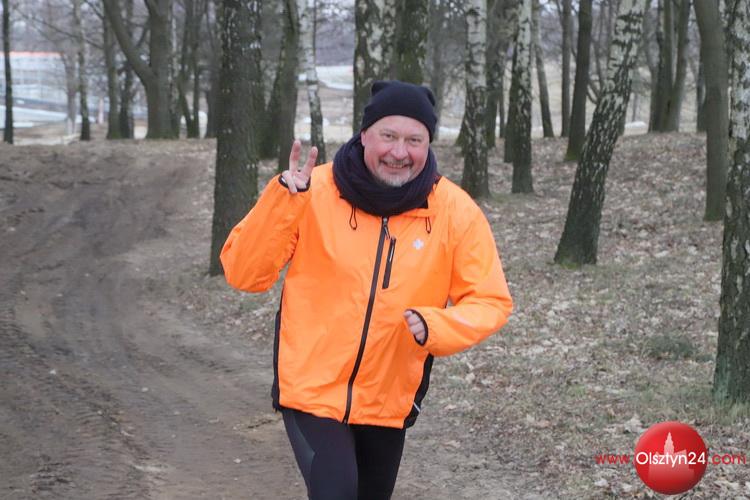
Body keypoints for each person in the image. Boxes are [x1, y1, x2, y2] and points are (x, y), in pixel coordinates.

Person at [220, 80, 513, 500]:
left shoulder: (453, 211)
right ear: (364, 135)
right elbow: (244, 274)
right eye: (388, 136)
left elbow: (491, 300)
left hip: (388, 399)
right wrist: (282, 202)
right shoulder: (312, 190)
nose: (399, 151)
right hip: (311, 389)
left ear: (429, 144)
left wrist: (437, 326)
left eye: (414, 140)